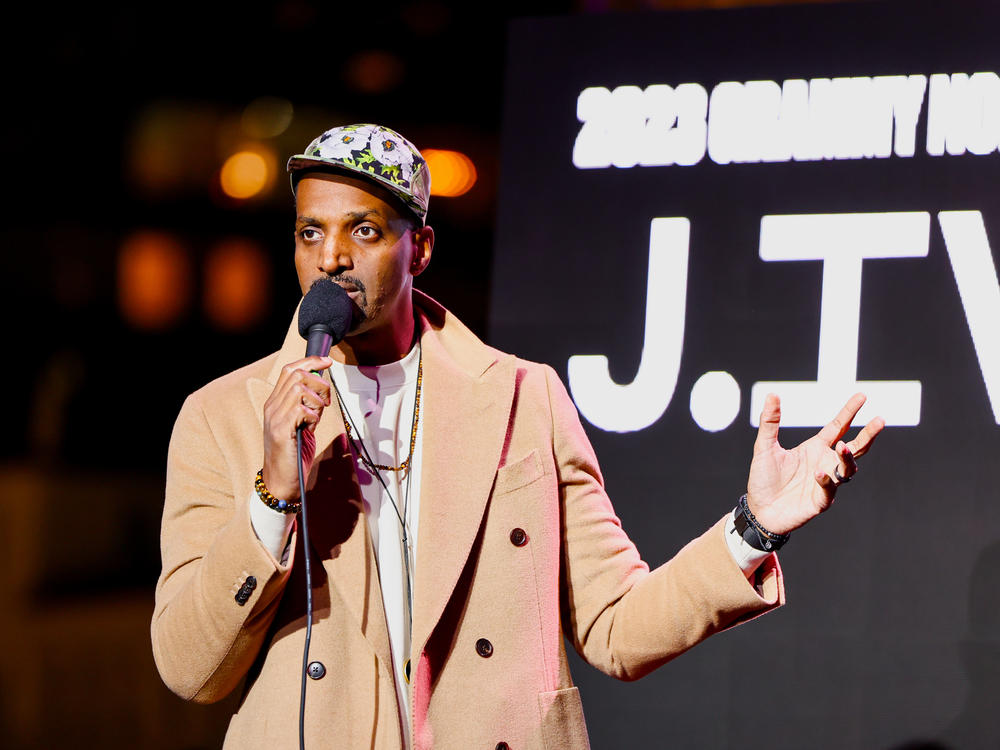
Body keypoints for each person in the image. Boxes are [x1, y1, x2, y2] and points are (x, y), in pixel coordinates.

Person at [151, 123, 884, 749]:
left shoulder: (521, 397)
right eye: (311, 231)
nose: (330, 257)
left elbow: (614, 625)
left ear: (422, 249)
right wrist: (273, 496)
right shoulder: (223, 416)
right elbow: (190, 668)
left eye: (364, 230)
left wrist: (754, 528)